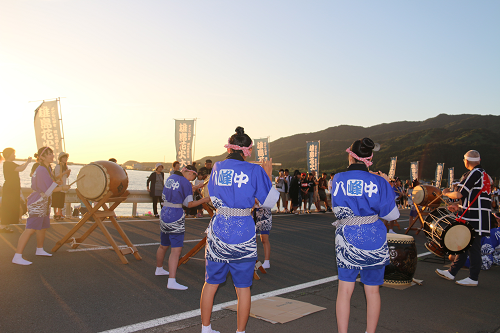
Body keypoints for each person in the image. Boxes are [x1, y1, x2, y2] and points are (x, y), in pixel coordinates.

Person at [200, 127, 278, 333]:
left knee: (211, 283)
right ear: (247, 150)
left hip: (218, 228)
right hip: (242, 231)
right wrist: (268, 176)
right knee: (243, 288)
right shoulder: (255, 170)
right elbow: (269, 202)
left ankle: (205, 328)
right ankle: (240, 331)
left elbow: (215, 194)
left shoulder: (217, 166)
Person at [331, 138, 398, 333]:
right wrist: (387, 185)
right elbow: (392, 215)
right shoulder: (379, 181)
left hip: (346, 237)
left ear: (350, 156)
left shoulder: (338, 178)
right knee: (373, 290)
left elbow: (336, 206)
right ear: (370, 158)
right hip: (374, 237)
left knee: (344, 291)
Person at [436, 150, 492, 286]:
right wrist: (458, 206)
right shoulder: (484, 174)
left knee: (473, 248)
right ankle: (452, 272)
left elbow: (460, 194)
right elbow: (473, 197)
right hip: (478, 214)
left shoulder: (475, 173)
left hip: (475, 216)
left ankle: (473, 278)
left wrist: (447, 194)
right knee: (465, 244)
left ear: (467, 161)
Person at [12, 147, 70, 265]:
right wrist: (62, 188)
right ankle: (17, 256)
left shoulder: (46, 168)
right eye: (49, 154)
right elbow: (48, 190)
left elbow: (48, 185)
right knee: (30, 229)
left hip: (43, 201)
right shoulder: (42, 169)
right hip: (38, 201)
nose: (52, 156)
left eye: (52, 153)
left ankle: (39, 249)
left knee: (43, 226)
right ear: (42, 157)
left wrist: (56, 184)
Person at [155, 164, 209, 289]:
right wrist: (204, 200)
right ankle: (172, 281)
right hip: (175, 215)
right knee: (176, 250)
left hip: (165, 212)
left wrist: (194, 187)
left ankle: (159, 268)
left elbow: (177, 191)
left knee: (163, 245)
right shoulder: (186, 183)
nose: (192, 179)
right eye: (193, 176)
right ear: (190, 173)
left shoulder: (171, 177)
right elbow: (189, 204)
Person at [1, 148, 32, 233]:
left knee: (10, 206)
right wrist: (28, 162)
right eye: (13, 154)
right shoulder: (8, 164)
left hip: (12, 188)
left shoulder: (10, 164)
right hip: (10, 189)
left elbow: (19, 167)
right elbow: (21, 169)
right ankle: (3, 226)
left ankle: (4, 225)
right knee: (8, 206)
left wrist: (26, 162)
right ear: (8, 155)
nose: (14, 155)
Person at [52, 152, 71, 220]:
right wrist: (65, 172)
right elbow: (56, 176)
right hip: (58, 186)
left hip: (63, 186)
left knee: (60, 201)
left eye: (66, 157)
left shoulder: (65, 167)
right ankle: (56, 214)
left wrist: (68, 173)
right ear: (60, 158)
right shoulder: (58, 166)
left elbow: (66, 176)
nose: (65, 159)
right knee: (56, 200)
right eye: (64, 157)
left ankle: (60, 214)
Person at [253, 203, 272, 269]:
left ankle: (267, 262)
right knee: (253, 239)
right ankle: (254, 260)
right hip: (254, 212)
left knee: (264, 238)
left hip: (265, 213)